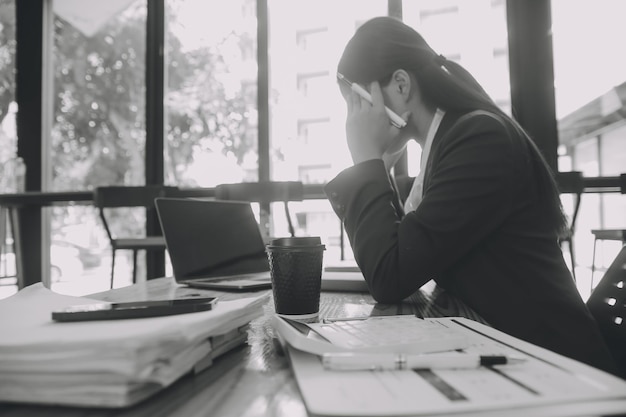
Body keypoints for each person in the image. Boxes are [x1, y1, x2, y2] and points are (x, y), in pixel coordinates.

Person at [324, 16, 618, 375]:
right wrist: (378, 169)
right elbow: (404, 255)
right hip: (502, 349)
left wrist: (367, 161)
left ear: (400, 85)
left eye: (359, 104)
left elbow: (390, 274)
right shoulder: (448, 140)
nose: (355, 119)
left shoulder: (478, 138)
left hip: (557, 368)